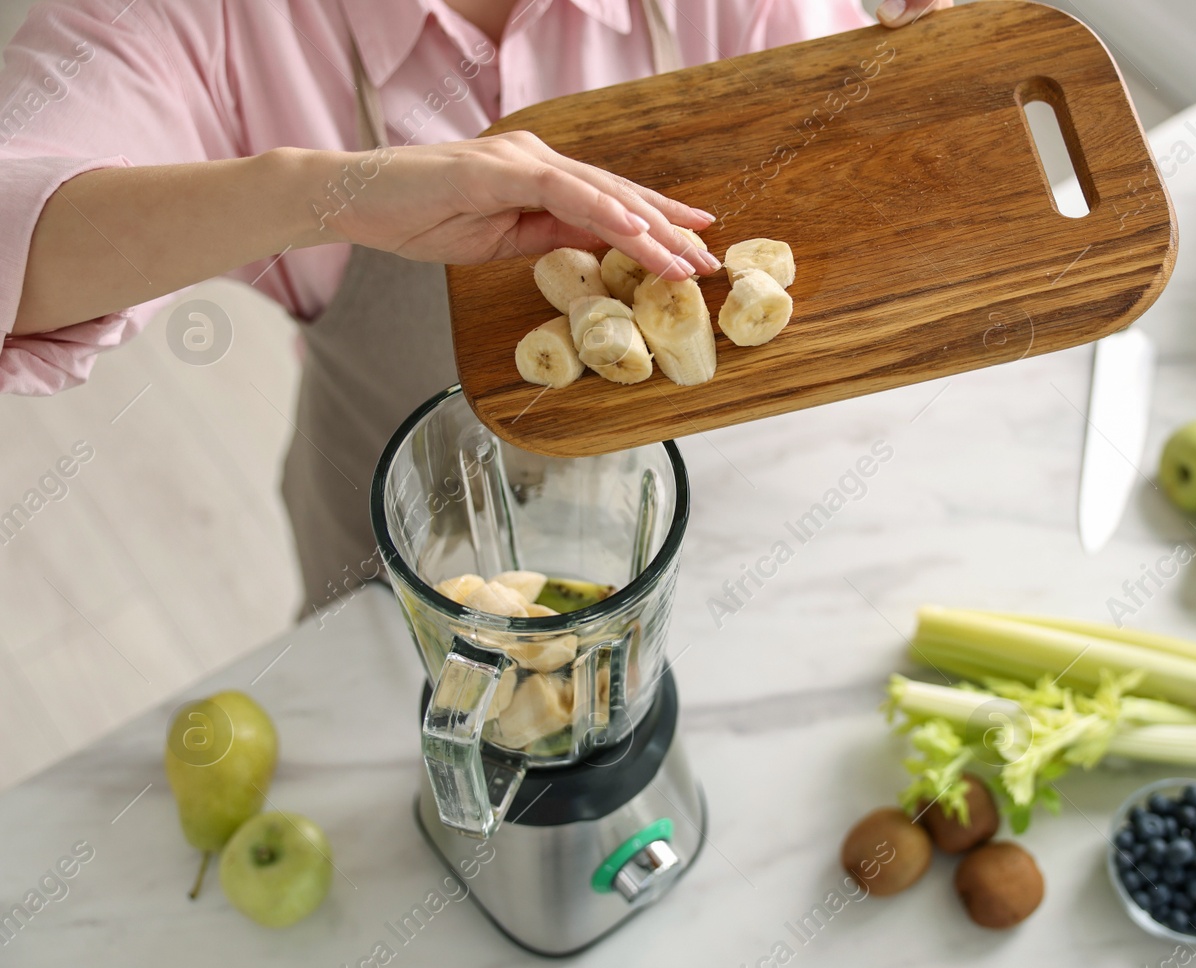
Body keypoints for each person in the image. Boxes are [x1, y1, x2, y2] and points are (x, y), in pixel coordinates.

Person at [0, 0, 949, 613]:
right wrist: (319, 191)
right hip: (407, 564)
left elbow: (883, 187)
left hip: (724, 533)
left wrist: (925, 75)